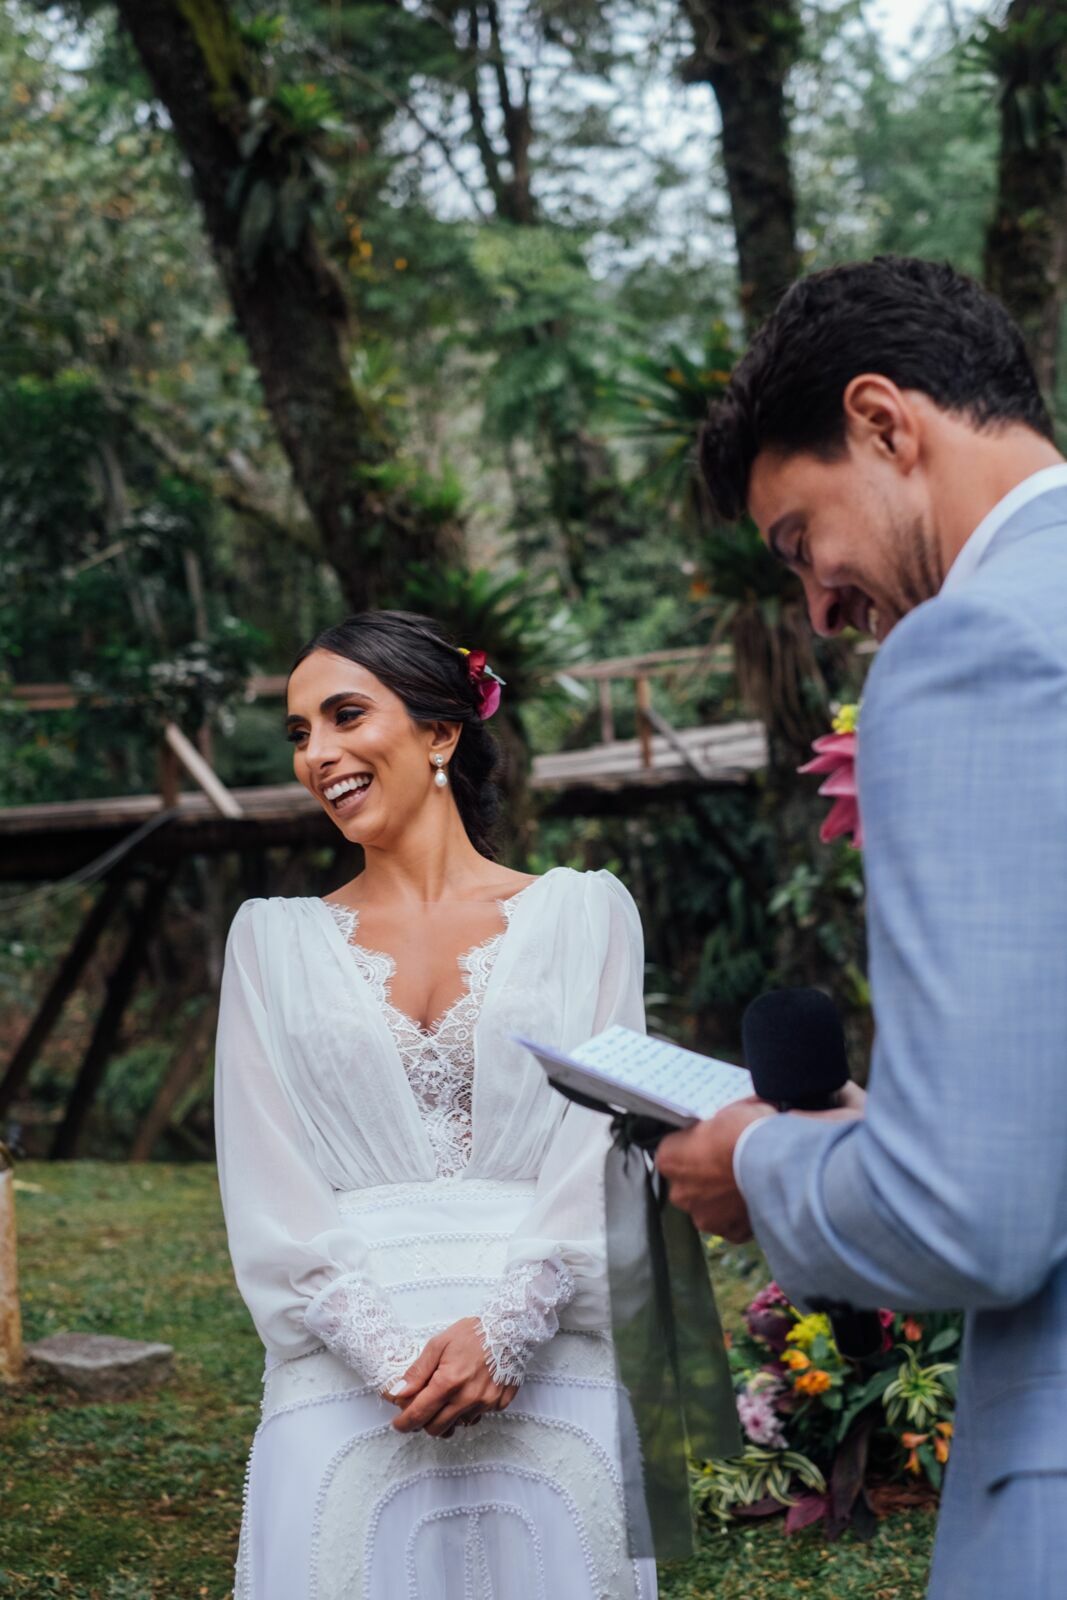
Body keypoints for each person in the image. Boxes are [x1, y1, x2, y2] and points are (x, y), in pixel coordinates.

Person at [657, 256, 1067, 1599]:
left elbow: (970, 1221)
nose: (816, 605)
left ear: (886, 423)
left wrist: (762, 1165)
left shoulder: (973, 655)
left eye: (796, 541)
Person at [214, 610, 656, 1600]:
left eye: (342, 715)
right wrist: (389, 1356)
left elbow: (605, 1145)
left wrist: (508, 1328)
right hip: (346, 1385)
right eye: (298, 733)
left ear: (440, 732)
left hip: (549, 1364)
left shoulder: (588, 914)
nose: (317, 753)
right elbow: (264, 1172)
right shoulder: (268, 941)